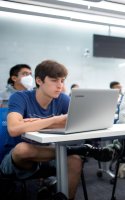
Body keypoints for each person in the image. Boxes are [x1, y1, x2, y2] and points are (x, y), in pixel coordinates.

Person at [0, 60, 116, 199]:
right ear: (39, 81)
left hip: (49, 155)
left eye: (62, 81)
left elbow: (75, 123)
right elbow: (14, 129)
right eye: (54, 80)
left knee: (75, 160)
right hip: (18, 160)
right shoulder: (20, 97)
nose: (60, 85)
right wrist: (55, 119)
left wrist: (39, 123)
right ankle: (79, 149)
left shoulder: (62, 99)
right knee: (22, 149)